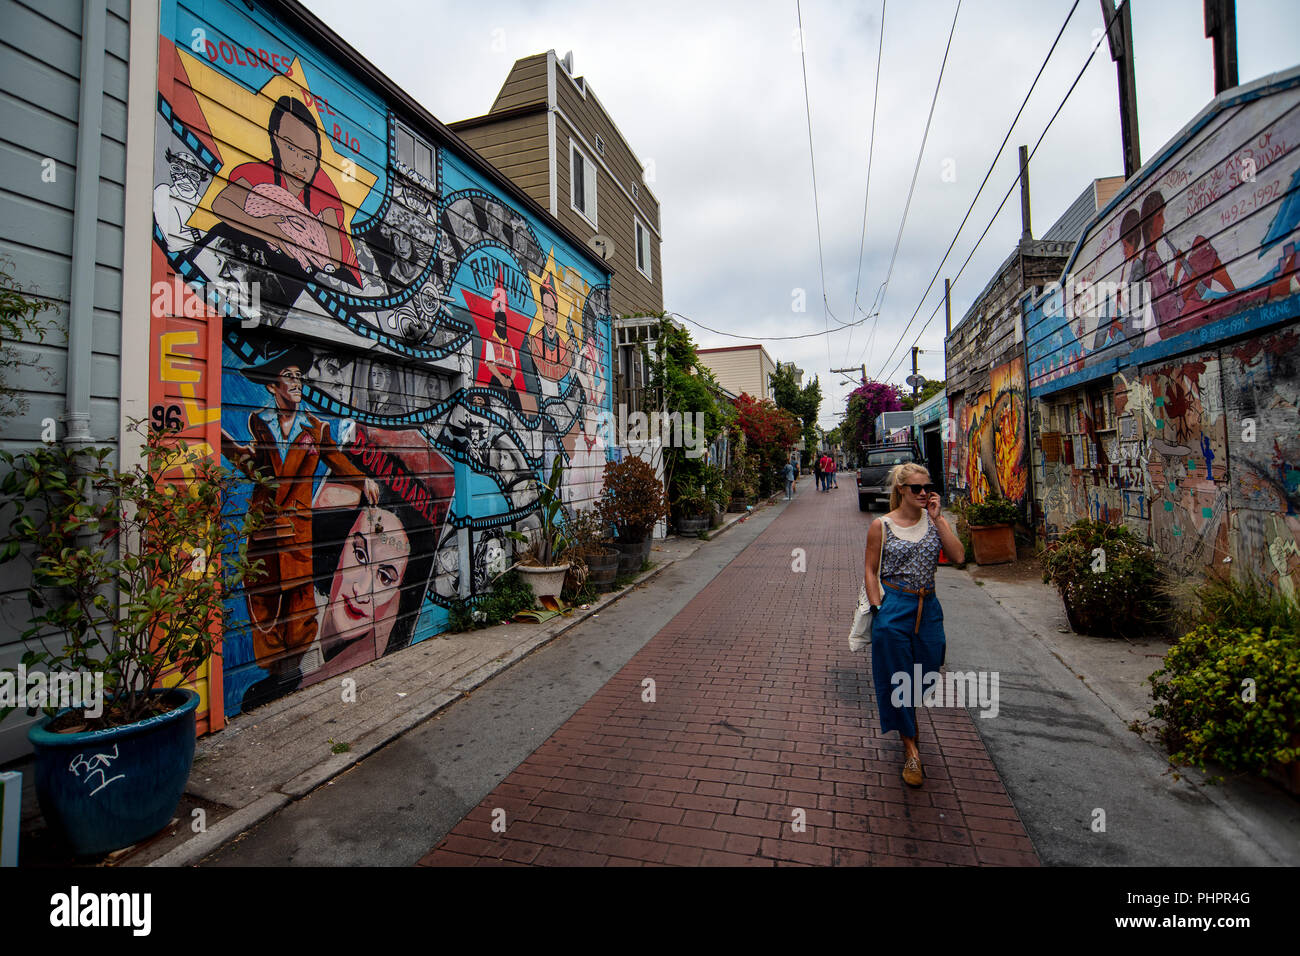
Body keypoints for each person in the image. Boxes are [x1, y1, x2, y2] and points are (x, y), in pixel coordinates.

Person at [220, 344, 378, 709]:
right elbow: (256, 470)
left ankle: (292, 672)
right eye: (289, 377)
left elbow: (336, 460)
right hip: (263, 526)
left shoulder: (314, 427)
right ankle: (275, 674)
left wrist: (361, 479)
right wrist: (234, 452)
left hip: (296, 528)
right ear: (273, 386)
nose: (297, 383)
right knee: (263, 600)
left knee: (299, 600)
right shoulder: (258, 422)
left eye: (299, 377)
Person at [862, 462, 964, 787]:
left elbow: (959, 556)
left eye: (928, 487)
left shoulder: (933, 522)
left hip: (928, 606)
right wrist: (879, 609)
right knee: (897, 677)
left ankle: (908, 718)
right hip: (895, 606)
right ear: (902, 490)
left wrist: (938, 517)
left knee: (929, 668)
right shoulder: (882, 525)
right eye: (917, 488)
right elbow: (869, 570)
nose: (924, 493)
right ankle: (911, 749)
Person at [300, 485, 438, 685]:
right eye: (360, 555)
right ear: (340, 548)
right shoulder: (296, 615)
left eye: (385, 577)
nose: (362, 591)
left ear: (397, 594)